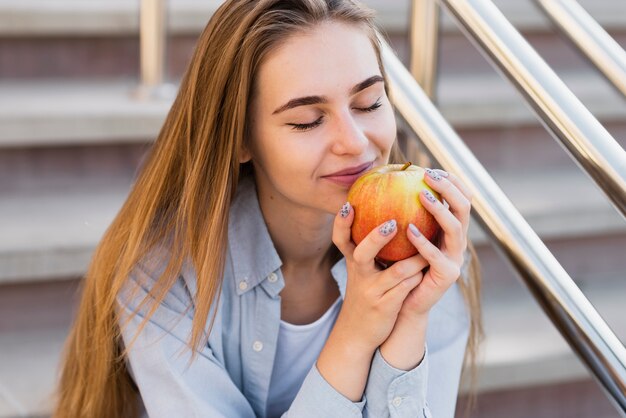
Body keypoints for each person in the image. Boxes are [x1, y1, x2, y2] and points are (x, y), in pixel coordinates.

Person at [54, 0, 482, 417]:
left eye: (369, 102)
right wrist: (354, 335)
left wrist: (408, 320)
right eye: (307, 120)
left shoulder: (431, 253)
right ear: (240, 137)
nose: (354, 142)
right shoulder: (163, 275)